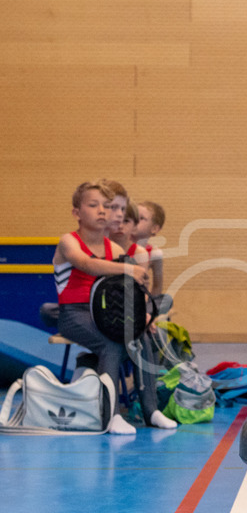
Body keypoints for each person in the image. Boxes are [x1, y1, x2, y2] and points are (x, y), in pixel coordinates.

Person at [53, 181, 177, 434]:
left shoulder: (115, 248)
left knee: (141, 337)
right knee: (111, 343)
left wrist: (143, 315)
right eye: (93, 205)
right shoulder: (69, 241)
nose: (102, 211)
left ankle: (151, 410)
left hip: (106, 313)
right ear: (77, 213)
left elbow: (127, 290)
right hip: (74, 314)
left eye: (107, 206)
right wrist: (127, 268)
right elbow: (86, 264)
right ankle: (109, 415)